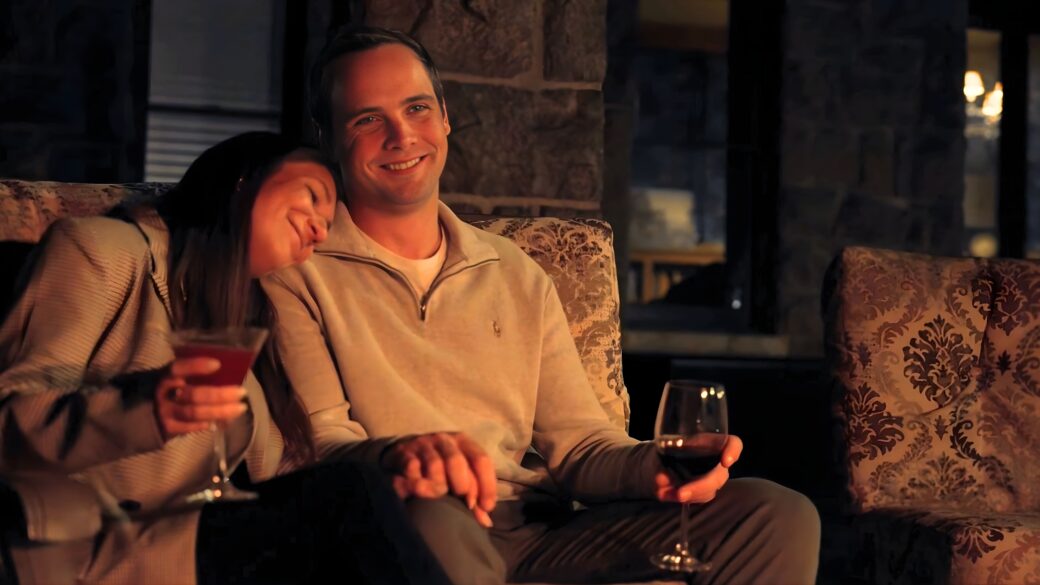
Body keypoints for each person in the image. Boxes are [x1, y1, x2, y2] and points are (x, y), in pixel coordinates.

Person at [263, 27, 821, 585]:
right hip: (414, 521)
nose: (402, 135)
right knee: (429, 523)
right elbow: (323, 447)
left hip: (538, 535)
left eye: (417, 108)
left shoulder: (515, 272)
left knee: (778, 515)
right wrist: (400, 458)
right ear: (329, 137)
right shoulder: (299, 271)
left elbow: (580, 445)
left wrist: (652, 466)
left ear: (446, 118)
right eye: (367, 119)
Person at [0, 132, 449, 585]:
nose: (319, 228)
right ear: (242, 181)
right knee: (352, 495)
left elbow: (287, 471)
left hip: (206, 540)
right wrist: (146, 407)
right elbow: (9, 415)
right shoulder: (101, 251)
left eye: (327, 223)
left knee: (369, 498)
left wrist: (393, 465)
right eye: (312, 196)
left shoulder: (241, 314)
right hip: (101, 546)